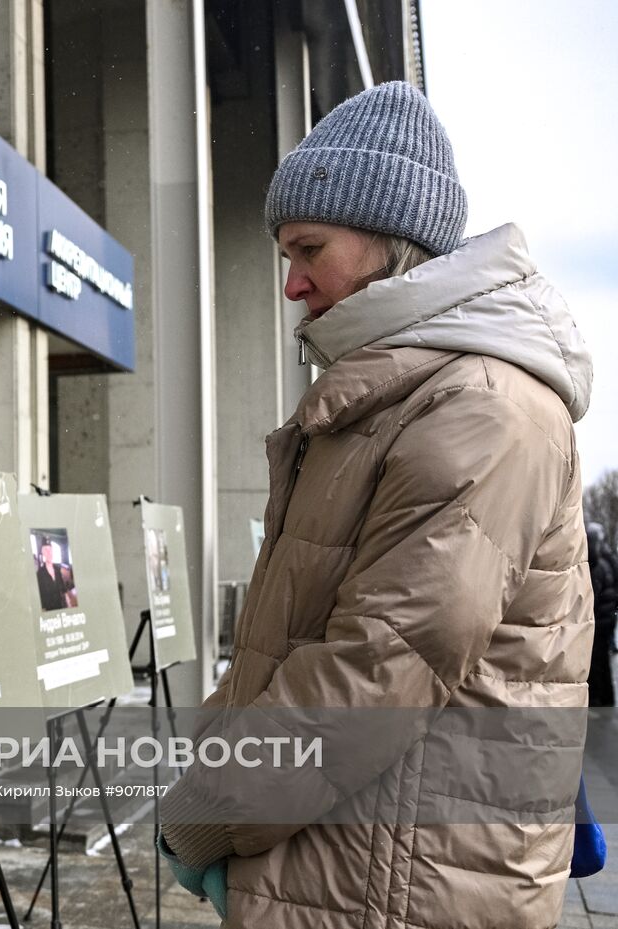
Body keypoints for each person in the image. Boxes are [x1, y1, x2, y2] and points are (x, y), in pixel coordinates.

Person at [158, 82, 593, 928]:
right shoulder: (397, 394)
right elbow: (298, 637)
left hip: (410, 880)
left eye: (309, 248)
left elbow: (373, 669)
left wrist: (205, 810)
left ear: (392, 238)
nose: (291, 283)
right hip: (364, 857)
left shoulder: (481, 407)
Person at [588, 521, 618, 706]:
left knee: (596, 664)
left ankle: (598, 701)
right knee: (603, 663)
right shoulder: (608, 561)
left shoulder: (597, 567)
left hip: (598, 622)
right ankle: (606, 699)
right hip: (607, 620)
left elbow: (593, 599)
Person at [35, 536, 67, 612]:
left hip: (60, 606)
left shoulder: (57, 569)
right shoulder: (39, 574)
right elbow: (40, 596)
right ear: (43, 552)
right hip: (49, 610)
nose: (49, 553)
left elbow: (63, 588)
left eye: (50, 549)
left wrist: (67, 598)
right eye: (46, 550)